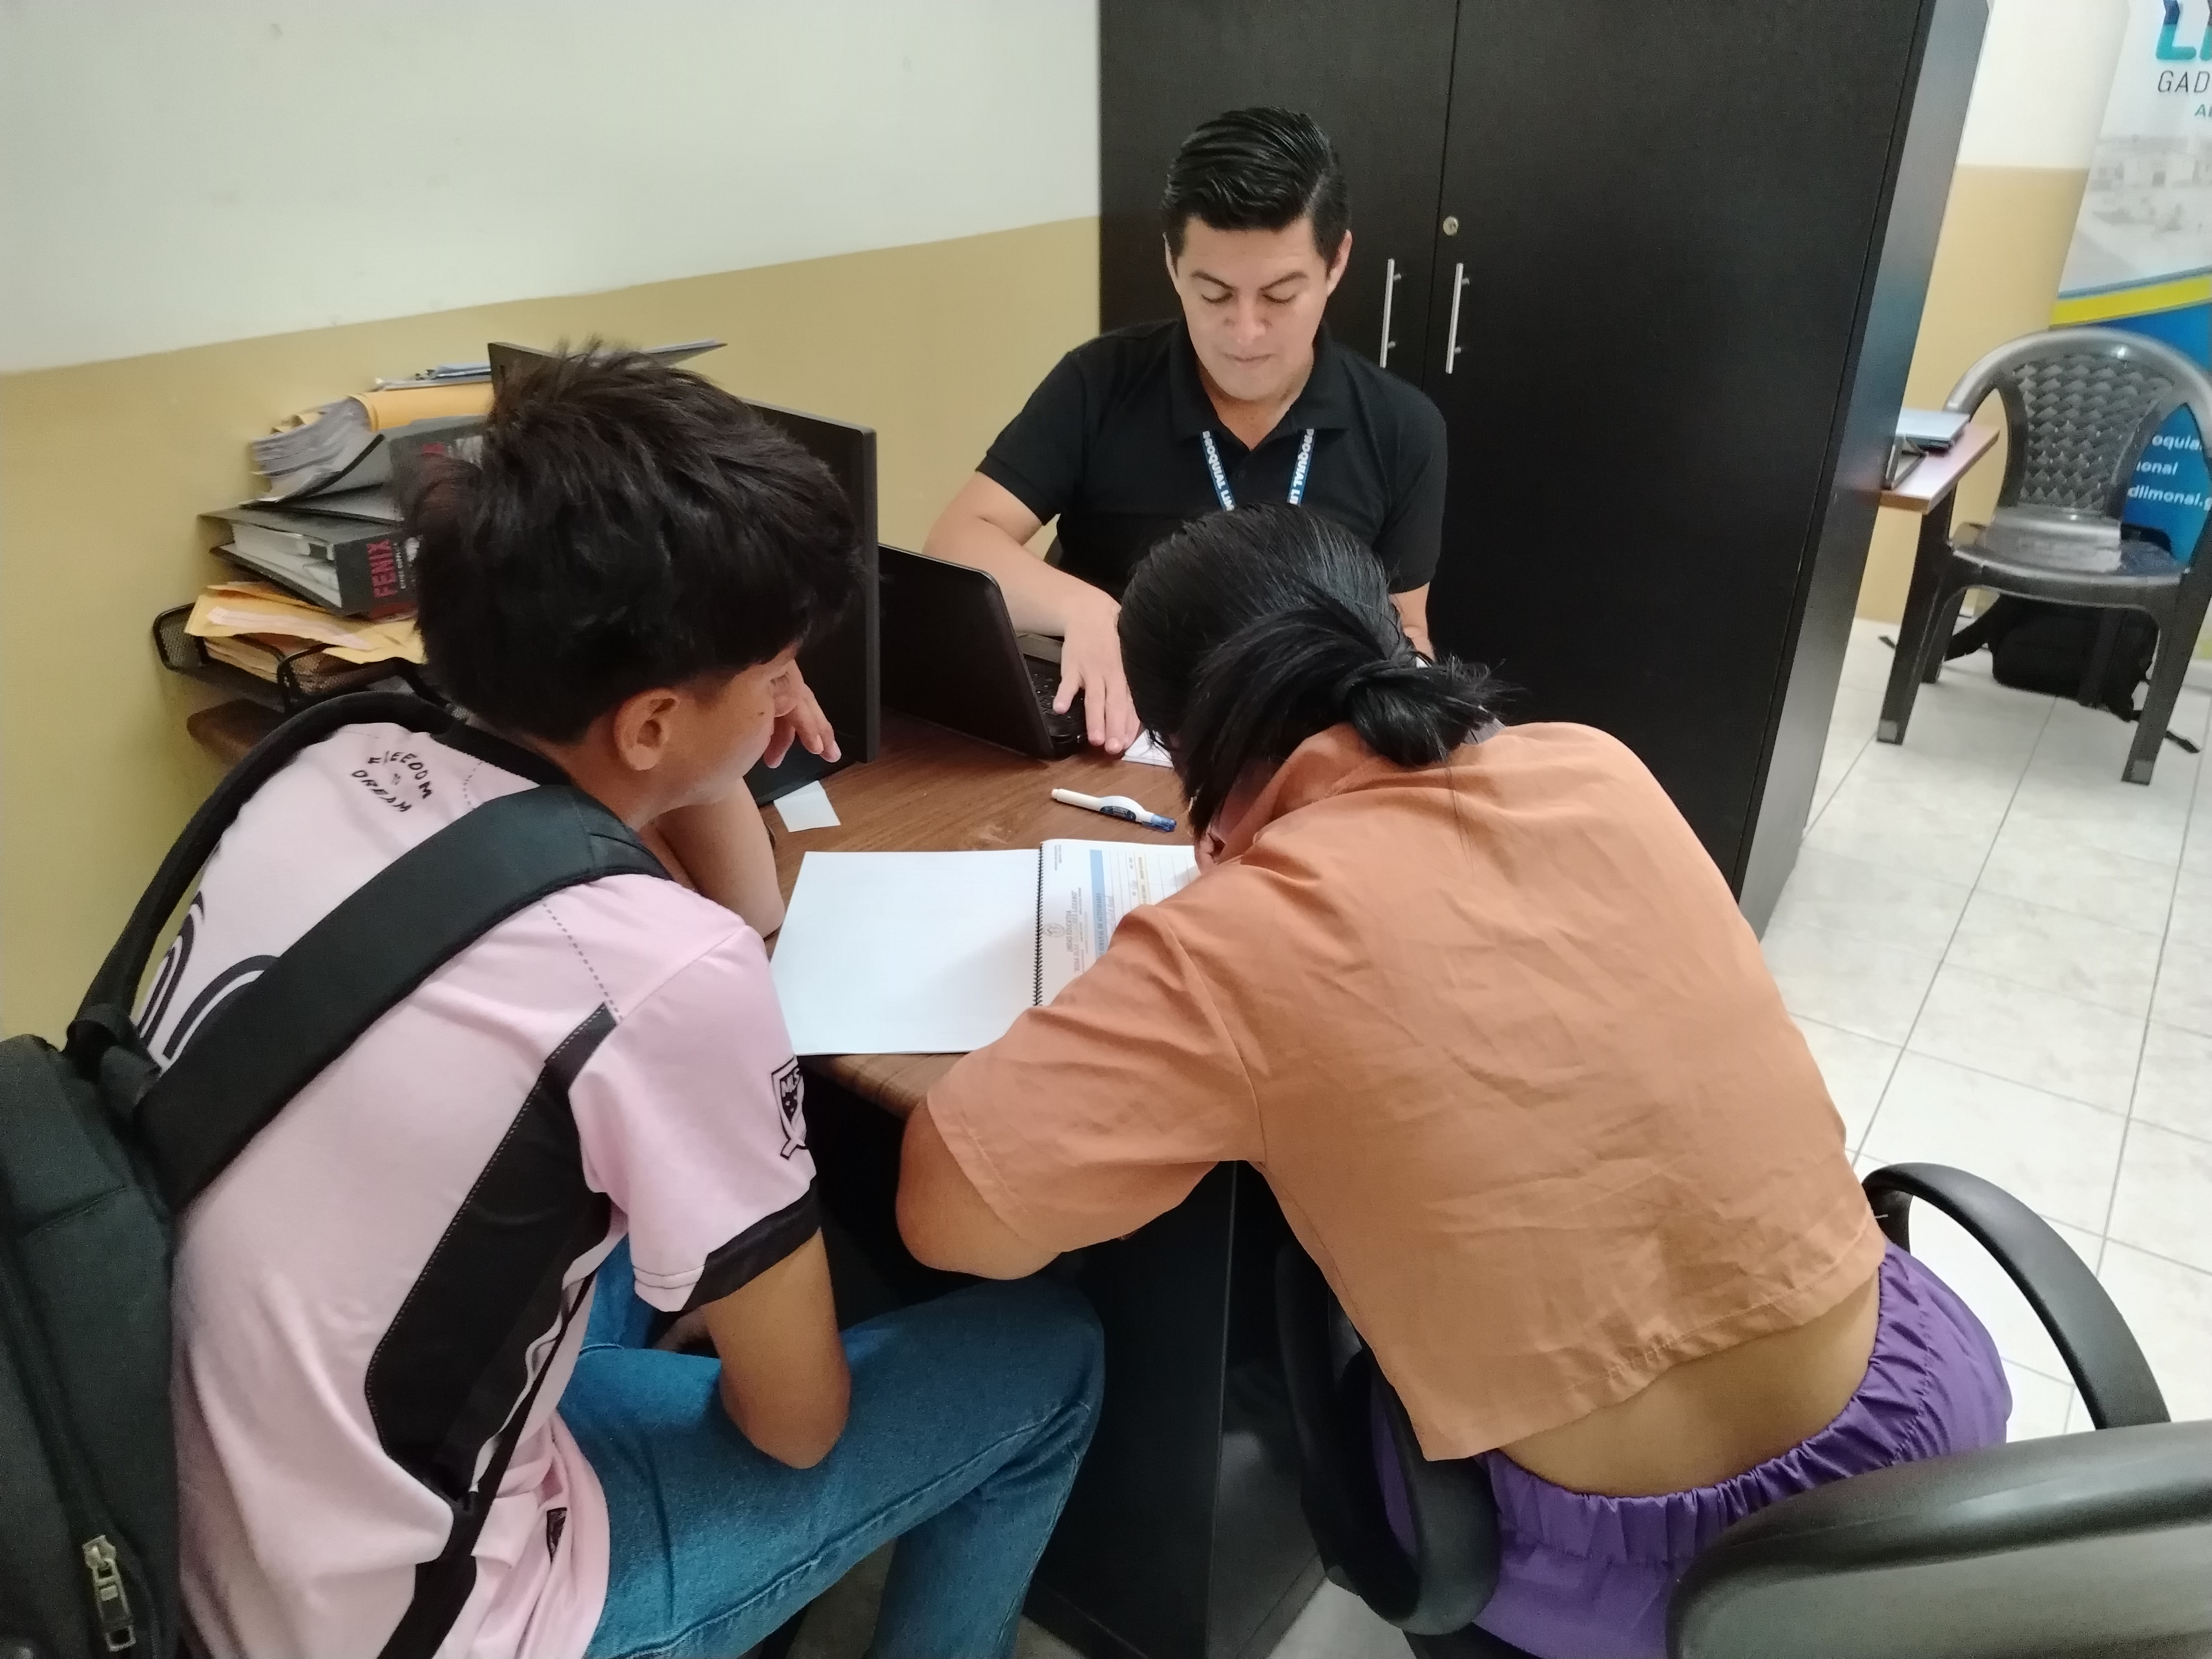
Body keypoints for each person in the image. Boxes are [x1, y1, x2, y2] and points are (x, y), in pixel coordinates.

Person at [893, 505, 2010, 1659]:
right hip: (1922, 1430)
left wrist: (1208, 911)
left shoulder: (1234, 940)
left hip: (1667, 1579)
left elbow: (948, 1218)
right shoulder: (1597, 766)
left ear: (1186, 749)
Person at [154, 349, 1102, 1659]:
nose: (790, 694)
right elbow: (798, 1426)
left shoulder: (326, 756)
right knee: (1049, 1351)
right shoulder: (652, 965)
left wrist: (717, 726)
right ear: (649, 721)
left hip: (199, 1519)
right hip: (437, 1618)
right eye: (775, 669)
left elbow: (745, 915)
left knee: (645, 1244)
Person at [925, 106, 1448, 754]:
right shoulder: (1101, 383)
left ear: (1335, 262)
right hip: (1114, 743)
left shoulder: (1401, 427)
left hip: (1299, 751)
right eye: (1214, 294)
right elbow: (956, 542)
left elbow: (1406, 629)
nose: (1245, 332)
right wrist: (1084, 609)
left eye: (1280, 296)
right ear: (1173, 264)